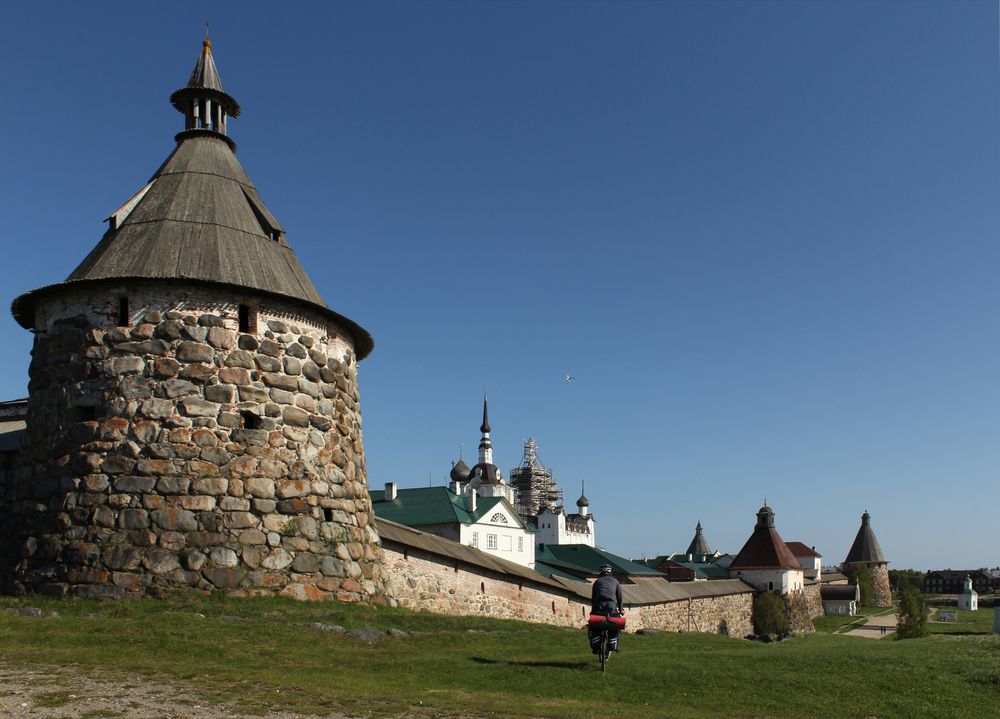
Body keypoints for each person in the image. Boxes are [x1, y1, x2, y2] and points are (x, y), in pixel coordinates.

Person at [589, 564, 624, 654]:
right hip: (611, 605)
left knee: (595, 626)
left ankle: (596, 645)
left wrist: (593, 611)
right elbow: (619, 597)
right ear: (610, 572)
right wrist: (621, 609)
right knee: (615, 623)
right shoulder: (615, 581)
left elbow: (593, 598)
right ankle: (612, 643)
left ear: (600, 572)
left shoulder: (597, 582)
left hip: (598, 605)